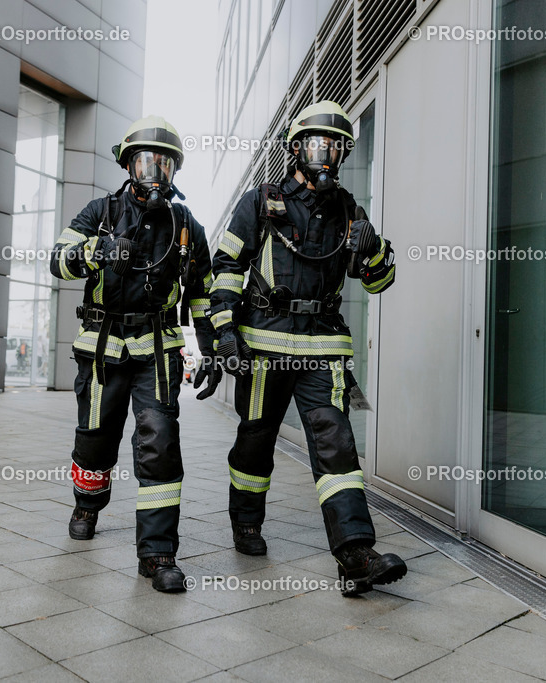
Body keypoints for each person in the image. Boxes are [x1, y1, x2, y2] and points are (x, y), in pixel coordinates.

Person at [202, 100, 405, 596]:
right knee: (256, 440)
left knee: (336, 445)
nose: (326, 155)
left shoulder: (351, 211)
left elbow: (380, 282)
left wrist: (374, 245)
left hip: (323, 348)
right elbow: (225, 265)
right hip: (263, 345)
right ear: (296, 148)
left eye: (335, 146)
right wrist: (225, 330)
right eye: (317, 144)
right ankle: (246, 521)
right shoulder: (260, 201)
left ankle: (355, 553)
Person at [50, 116, 219, 593]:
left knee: (160, 443)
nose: (155, 174)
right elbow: (57, 258)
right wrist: (96, 252)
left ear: (174, 173)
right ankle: (87, 504)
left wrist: (210, 348)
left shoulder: (186, 226)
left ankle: (158, 552)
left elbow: (203, 292)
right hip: (102, 349)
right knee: (96, 441)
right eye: (146, 162)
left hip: (159, 354)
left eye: (164, 165)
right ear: (128, 165)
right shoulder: (100, 212)